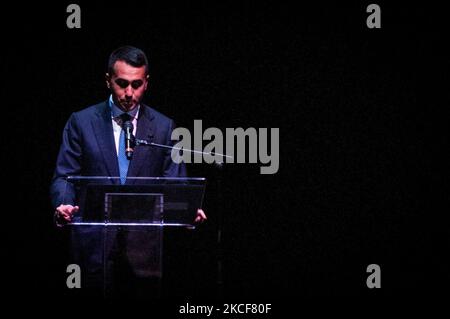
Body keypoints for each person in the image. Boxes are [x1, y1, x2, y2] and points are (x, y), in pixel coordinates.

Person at [50, 45, 206, 298]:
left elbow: (175, 182)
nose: (129, 93)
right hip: (94, 244)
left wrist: (186, 209)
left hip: (144, 251)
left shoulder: (164, 127)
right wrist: (63, 204)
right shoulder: (81, 122)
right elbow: (65, 176)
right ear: (108, 80)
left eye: (136, 84)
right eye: (122, 83)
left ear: (146, 83)